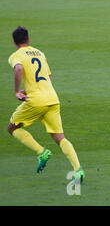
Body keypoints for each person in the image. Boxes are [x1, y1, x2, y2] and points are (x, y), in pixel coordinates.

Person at [7, 27, 85, 182]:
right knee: (60, 138)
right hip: (52, 98)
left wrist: (17, 91)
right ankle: (78, 170)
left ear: (14, 42)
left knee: (12, 128)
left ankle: (41, 152)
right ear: (28, 39)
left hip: (35, 100)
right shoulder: (40, 53)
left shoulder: (16, 56)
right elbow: (47, 78)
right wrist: (28, 89)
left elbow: (19, 68)